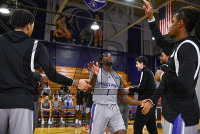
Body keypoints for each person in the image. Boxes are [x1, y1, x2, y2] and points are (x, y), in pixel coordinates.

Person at [0, 9, 90, 134]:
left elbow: (15, 69)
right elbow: (52, 74)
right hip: (22, 103)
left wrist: (37, 76)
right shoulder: (35, 45)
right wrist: (75, 82)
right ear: (28, 25)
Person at [142, 0, 200, 133]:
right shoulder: (178, 45)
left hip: (181, 115)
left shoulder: (188, 47)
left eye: (172, 21)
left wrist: (162, 75)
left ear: (180, 23)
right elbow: (160, 40)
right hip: (175, 113)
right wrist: (151, 18)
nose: (169, 25)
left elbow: (184, 84)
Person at [87, 53, 147, 134]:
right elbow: (89, 90)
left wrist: (139, 102)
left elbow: (122, 98)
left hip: (114, 108)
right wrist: (95, 76)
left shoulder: (118, 77)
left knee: (122, 132)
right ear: (101, 61)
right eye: (106, 56)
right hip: (100, 107)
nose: (109, 57)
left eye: (110, 56)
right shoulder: (96, 72)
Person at [125, 56, 158, 134]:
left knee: (137, 127)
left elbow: (141, 88)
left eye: (137, 63)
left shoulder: (144, 71)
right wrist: (132, 89)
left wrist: (130, 89)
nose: (136, 65)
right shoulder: (150, 72)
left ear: (142, 64)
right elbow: (143, 88)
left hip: (145, 104)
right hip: (151, 103)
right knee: (152, 128)